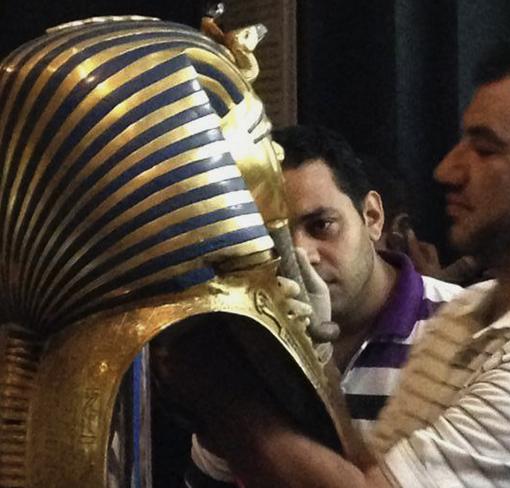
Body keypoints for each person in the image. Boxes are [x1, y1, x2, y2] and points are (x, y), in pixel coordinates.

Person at [175, 32, 510, 486]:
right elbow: (368, 468)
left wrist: (211, 374)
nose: (447, 170)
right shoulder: (471, 314)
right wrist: (307, 362)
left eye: (485, 149)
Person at [184, 125, 461, 486]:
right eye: (270, 238)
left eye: (321, 225)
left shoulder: (463, 331)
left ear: (373, 217)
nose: (299, 255)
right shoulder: (252, 341)